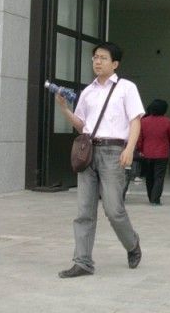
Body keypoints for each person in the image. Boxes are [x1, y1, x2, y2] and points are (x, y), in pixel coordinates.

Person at [55, 41, 144, 278]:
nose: (97, 61)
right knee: (84, 210)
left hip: (114, 152)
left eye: (103, 58)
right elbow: (82, 125)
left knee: (114, 209)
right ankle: (82, 262)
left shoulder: (126, 88)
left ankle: (132, 244)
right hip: (89, 152)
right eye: (95, 57)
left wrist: (130, 149)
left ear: (115, 64)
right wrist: (64, 110)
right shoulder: (88, 91)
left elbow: (135, 120)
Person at [136, 99, 170, 206]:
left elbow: (140, 138)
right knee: (159, 176)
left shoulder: (143, 121)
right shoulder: (168, 121)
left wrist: (140, 149)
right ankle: (155, 199)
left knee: (149, 176)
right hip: (162, 153)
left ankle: (151, 197)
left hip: (147, 153)